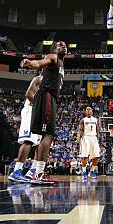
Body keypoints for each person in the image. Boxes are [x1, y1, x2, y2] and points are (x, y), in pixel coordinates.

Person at [20, 41, 67, 185]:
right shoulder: (52, 57)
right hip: (46, 96)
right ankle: (38, 173)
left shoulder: (60, 63)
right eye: (60, 45)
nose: (63, 46)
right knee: (48, 135)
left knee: (45, 136)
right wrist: (29, 62)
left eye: (65, 45)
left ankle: (36, 172)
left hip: (49, 98)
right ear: (54, 49)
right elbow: (40, 63)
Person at [8, 74, 43, 183]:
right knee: (28, 141)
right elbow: (29, 94)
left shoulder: (49, 82)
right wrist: (38, 108)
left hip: (38, 112)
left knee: (39, 143)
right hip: (32, 110)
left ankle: (32, 171)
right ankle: (17, 171)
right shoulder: (39, 79)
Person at [77, 106, 101, 180]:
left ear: (92, 111)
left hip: (94, 137)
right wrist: (78, 137)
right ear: (85, 111)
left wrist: (98, 139)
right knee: (84, 156)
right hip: (86, 137)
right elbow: (79, 130)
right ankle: (84, 172)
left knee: (96, 156)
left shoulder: (96, 119)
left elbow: (98, 130)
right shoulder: (83, 120)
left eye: (89, 109)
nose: (88, 110)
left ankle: (92, 171)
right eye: (86, 109)